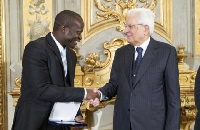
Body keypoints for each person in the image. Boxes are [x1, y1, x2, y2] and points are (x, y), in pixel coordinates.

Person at [90, 8, 181, 130]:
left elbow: (173, 99)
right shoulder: (121, 53)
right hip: (123, 124)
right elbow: (114, 85)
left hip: (153, 125)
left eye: (130, 26)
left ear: (146, 29)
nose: (125, 30)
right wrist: (100, 94)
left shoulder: (166, 52)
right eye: (125, 26)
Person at [11, 10, 99, 130]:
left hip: (59, 125)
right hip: (34, 123)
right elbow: (42, 90)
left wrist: (76, 115)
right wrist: (84, 93)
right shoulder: (35, 48)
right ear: (64, 29)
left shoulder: (71, 55)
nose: (80, 37)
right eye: (78, 32)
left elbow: (67, 88)